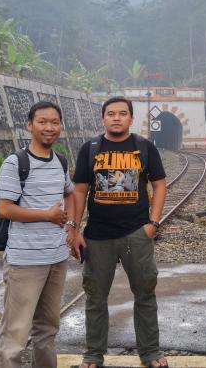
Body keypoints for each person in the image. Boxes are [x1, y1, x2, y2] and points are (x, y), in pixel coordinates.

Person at [68, 96, 169, 368]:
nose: (116, 117)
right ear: (103, 118)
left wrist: (153, 223)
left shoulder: (145, 147)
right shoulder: (90, 149)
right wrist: (74, 229)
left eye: (122, 113)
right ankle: (92, 355)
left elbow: (159, 185)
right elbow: (79, 190)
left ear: (131, 119)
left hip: (136, 233)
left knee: (145, 293)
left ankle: (150, 353)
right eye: (110, 113)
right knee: (95, 297)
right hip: (98, 235)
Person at [0, 101, 75, 368]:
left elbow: (69, 193)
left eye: (54, 122)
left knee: (48, 331)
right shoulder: (15, 163)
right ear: (30, 125)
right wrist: (47, 215)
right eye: (42, 122)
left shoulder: (59, 161)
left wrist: (72, 226)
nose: (49, 127)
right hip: (25, 261)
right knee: (15, 334)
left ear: (60, 127)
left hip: (57, 258)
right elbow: (4, 209)